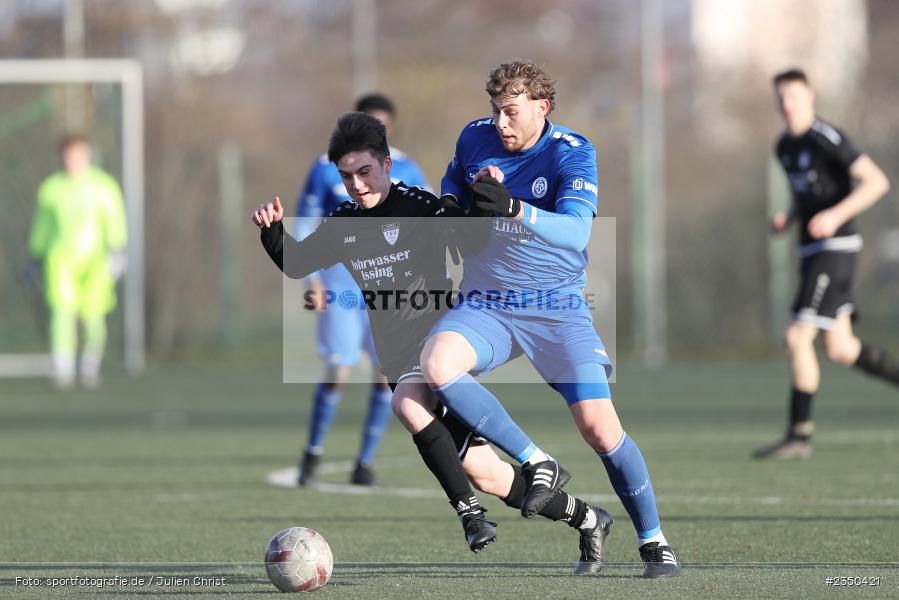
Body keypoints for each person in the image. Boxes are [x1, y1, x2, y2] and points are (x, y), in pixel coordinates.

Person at [252, 111, 613, 572]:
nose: (357, 185)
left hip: (440, 344)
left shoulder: (420, 206)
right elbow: (298, 262)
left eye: (365, 172)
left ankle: (472, 515)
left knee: (407, 404)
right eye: (346, 176)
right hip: (396, 354)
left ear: (386, 164)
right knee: (485, 474)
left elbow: (473, 240)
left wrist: (482, 205)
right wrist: (272, 232)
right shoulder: (344, 222)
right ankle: (587, 519)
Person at [418, 60, 681, 577]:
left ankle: (654, 541)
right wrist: (451, 202)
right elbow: (454, 173)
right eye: (495, 110)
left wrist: (515, 208)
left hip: (556, 308)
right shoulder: (475, 136)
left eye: (512, 111)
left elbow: (577, 233)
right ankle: (537, 461)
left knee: (600, 430)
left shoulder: (573, 152)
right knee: (437, 363)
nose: (500, 122)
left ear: (543, 107)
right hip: (488, 303)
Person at [754, 68, 897, 460]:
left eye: (794, 96)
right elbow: (805, 194)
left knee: (798, 336)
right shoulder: (783, 145)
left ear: (810, 97)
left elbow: (876, 182)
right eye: (781, 97)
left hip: (836, 248)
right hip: (811, 251)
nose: (787, 104)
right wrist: (788, 216)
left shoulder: (827, 138)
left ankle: (799, 436)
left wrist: (834, 216)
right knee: (840, 347)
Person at [294, 93, 430, 486]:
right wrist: (312, 279)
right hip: (340, 286)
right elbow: (305, 223)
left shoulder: (405, 168)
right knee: (339, 369)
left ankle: (364, 461)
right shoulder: (326, 169)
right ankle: (313, 453)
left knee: (387, 374)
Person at [28, 133, 127, 389]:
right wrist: (36, 254)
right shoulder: (51, 189)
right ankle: (63, 368)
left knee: (94, 314)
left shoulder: (104, 186)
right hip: (60, 260)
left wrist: (117, 251)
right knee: (62, 312)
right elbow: (43, 226)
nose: (73, 161)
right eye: (68, 156)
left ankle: (90, 365)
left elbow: (114, 221)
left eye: (78, 155)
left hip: (95, 260)